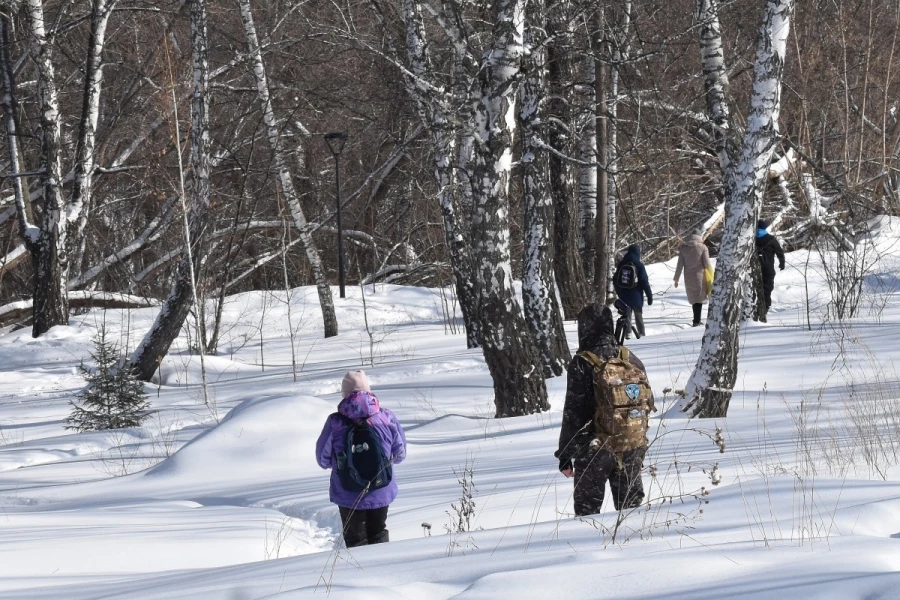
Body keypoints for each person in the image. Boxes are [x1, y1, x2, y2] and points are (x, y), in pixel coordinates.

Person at [555, 303, 652, 516]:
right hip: (631, 445)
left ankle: (589, 549)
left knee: (587, 515)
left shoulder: (582, 362)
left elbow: (574, 411)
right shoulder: (629, 358)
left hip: (594, 448)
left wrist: (565, 454)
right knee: (631, 513)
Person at [316, 370, 407, 548]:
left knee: (356, 540)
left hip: (347, 491)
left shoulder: (335, 422)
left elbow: (322, 459)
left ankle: (360, 575)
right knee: (378, 532)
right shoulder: (386, 417)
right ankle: (383, 571)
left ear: (344, 394)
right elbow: (400, 454)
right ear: (369, 391)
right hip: (381, 487)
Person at [613, 243, 653, 337]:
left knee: (627, 314)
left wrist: (618, 292)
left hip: (624, 294)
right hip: (636, 295)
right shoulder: (639, 265)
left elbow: (615, 280)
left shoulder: (621, 264)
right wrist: (649, 295)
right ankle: (641, 333)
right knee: (638, 314)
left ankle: (628, 333)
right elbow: (644, 282)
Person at [673, 231, 712, 327]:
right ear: (699, 236)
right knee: (699, 299)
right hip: (700, 277)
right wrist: (712, 274)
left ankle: (696, 320)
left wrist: (676, 279)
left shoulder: (683, 249)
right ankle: (696, 321)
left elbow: (679, 266)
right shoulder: (703, 247)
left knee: (694, 299)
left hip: (688, 278)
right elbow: (707, 264)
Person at [755, 219, 785, 315]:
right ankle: (766, 307)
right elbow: (779, 251)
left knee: (756, 288)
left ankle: (756, 307)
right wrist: (782, 262)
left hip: (755, 269)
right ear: (765, 228)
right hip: (768, 268)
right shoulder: (770, 238)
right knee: (767, 288)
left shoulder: (751, 239)